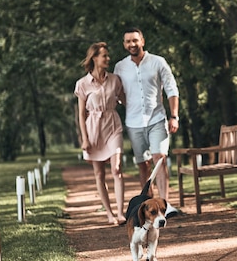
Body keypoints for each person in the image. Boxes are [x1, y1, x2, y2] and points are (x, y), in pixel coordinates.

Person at [114, 27, 179, 201]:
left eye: (135, 40)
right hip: (133, 123)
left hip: (157, 119)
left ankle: (164, 204)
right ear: (124, 44)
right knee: (143, 165)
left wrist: (174, 116)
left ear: (142, 41)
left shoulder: (158, 62)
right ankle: (149, 203)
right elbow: (117, 93)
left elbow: (172, 89)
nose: (132, 44)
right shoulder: (120, 67)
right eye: (128, 41)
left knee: (159, 159)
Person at [75, 42, 127, 225]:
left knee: (117, 168)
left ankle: (121, 213)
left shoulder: (115, 80)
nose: (107, 59)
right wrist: (84, 138)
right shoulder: (82, 84)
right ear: (94, 58)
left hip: (113, 125)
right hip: (93, 128)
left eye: (107, 55)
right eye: (104, 55)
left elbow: (126, 101)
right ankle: (109, 214)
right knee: (99, 174)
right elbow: (81, 114)